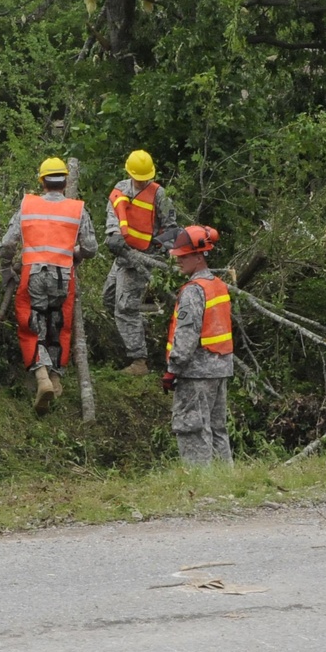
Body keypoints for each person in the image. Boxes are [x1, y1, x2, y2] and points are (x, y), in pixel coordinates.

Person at [0, 157, 98, 414]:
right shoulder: (78, 209)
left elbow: (7, 244)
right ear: (65, 181)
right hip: (64, 276)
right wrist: (75, 254)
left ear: (42, 181)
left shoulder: (27, 205)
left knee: (31, 323)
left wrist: (6, 268)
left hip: (33, 274)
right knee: (59, 324)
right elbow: (91, 248)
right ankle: (56, 377)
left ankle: (41, 376)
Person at [162, 225, 234, 466]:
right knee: (217, 429)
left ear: (199, 256)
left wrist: (173, 369)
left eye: (183, 256)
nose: (179, 261)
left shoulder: (193, 291)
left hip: (196, 371)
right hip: (220, 368)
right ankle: (225, 483)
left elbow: (186, 334)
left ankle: (200, 484)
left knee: (191, 428)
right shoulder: (219, 285)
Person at [103, 149, 178, 375]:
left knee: (125, 307)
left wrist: (160, 246)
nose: (142, 180)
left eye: (146, 177)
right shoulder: (121, 189)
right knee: (109, 299)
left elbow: (172, 229)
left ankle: (139, 361)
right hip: (122, 256)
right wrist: (113, 234)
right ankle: (131, 341)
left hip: (143, 259)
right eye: (139, 176)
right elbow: (112, 216)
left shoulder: (159, 195)